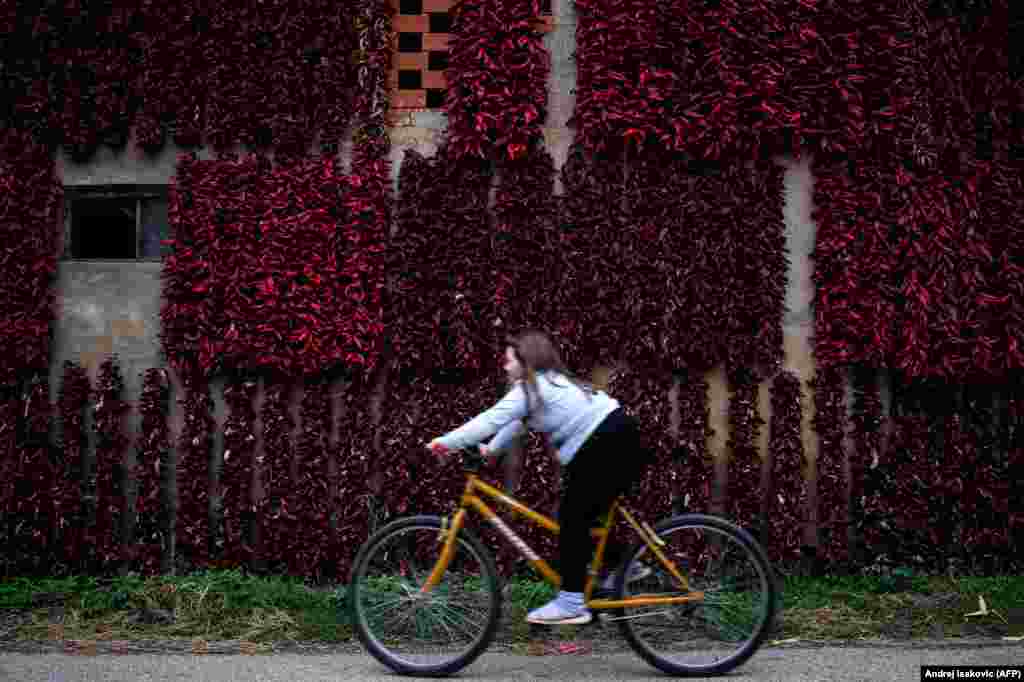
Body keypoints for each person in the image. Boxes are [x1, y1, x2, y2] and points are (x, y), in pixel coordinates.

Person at [426, 330, 653, 625]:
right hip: (616, 437)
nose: (505, 367)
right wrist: (490, 450)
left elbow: (490, 419)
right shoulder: (549, 384)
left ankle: (572, 602)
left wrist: (444, 442)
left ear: (526, 360)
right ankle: (623, 566)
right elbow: (515, 422)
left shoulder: (531, 389)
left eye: (509, 361)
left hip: (605, 443)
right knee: (580, 515)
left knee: (573, 517)